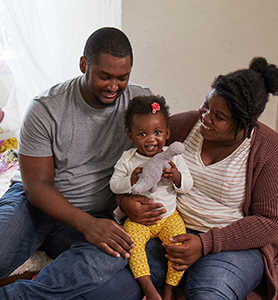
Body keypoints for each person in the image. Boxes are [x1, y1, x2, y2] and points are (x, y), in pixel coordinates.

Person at [116, 57, 278, 300]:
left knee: (208, 294)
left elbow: (272, 223)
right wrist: (123, 200)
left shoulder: (275, 154)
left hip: (233, 245)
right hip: (167, 229)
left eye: (219, 117)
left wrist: (205, 244)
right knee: (114, 282)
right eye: (206, 105)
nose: (205, 117)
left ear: (246, 123)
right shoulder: (183, 126)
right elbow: (135, 164)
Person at [0, 27, 163, 299]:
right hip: (34, 206)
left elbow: (156, 151)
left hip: (96, 212)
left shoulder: (140, 104)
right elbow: (37, 186)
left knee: (120, 254)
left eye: (122, 77)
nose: (114, 86)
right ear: (83, 65)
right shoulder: (45, 108)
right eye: (105, 76)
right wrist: (87, 225)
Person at [110, 95, 193, 300]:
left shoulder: (173, 157)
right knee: (132, 244)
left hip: (168, 217)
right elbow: (114, 185)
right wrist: (130, 180)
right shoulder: (128, 159)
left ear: (167, 133)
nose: (151, 139)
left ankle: (170, 288)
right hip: (139, 221)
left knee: (179, 246)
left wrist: (176, 176)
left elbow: (188, 185)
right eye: (142, 134)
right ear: (131, 136)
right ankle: (148, 287)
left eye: (157, 132)